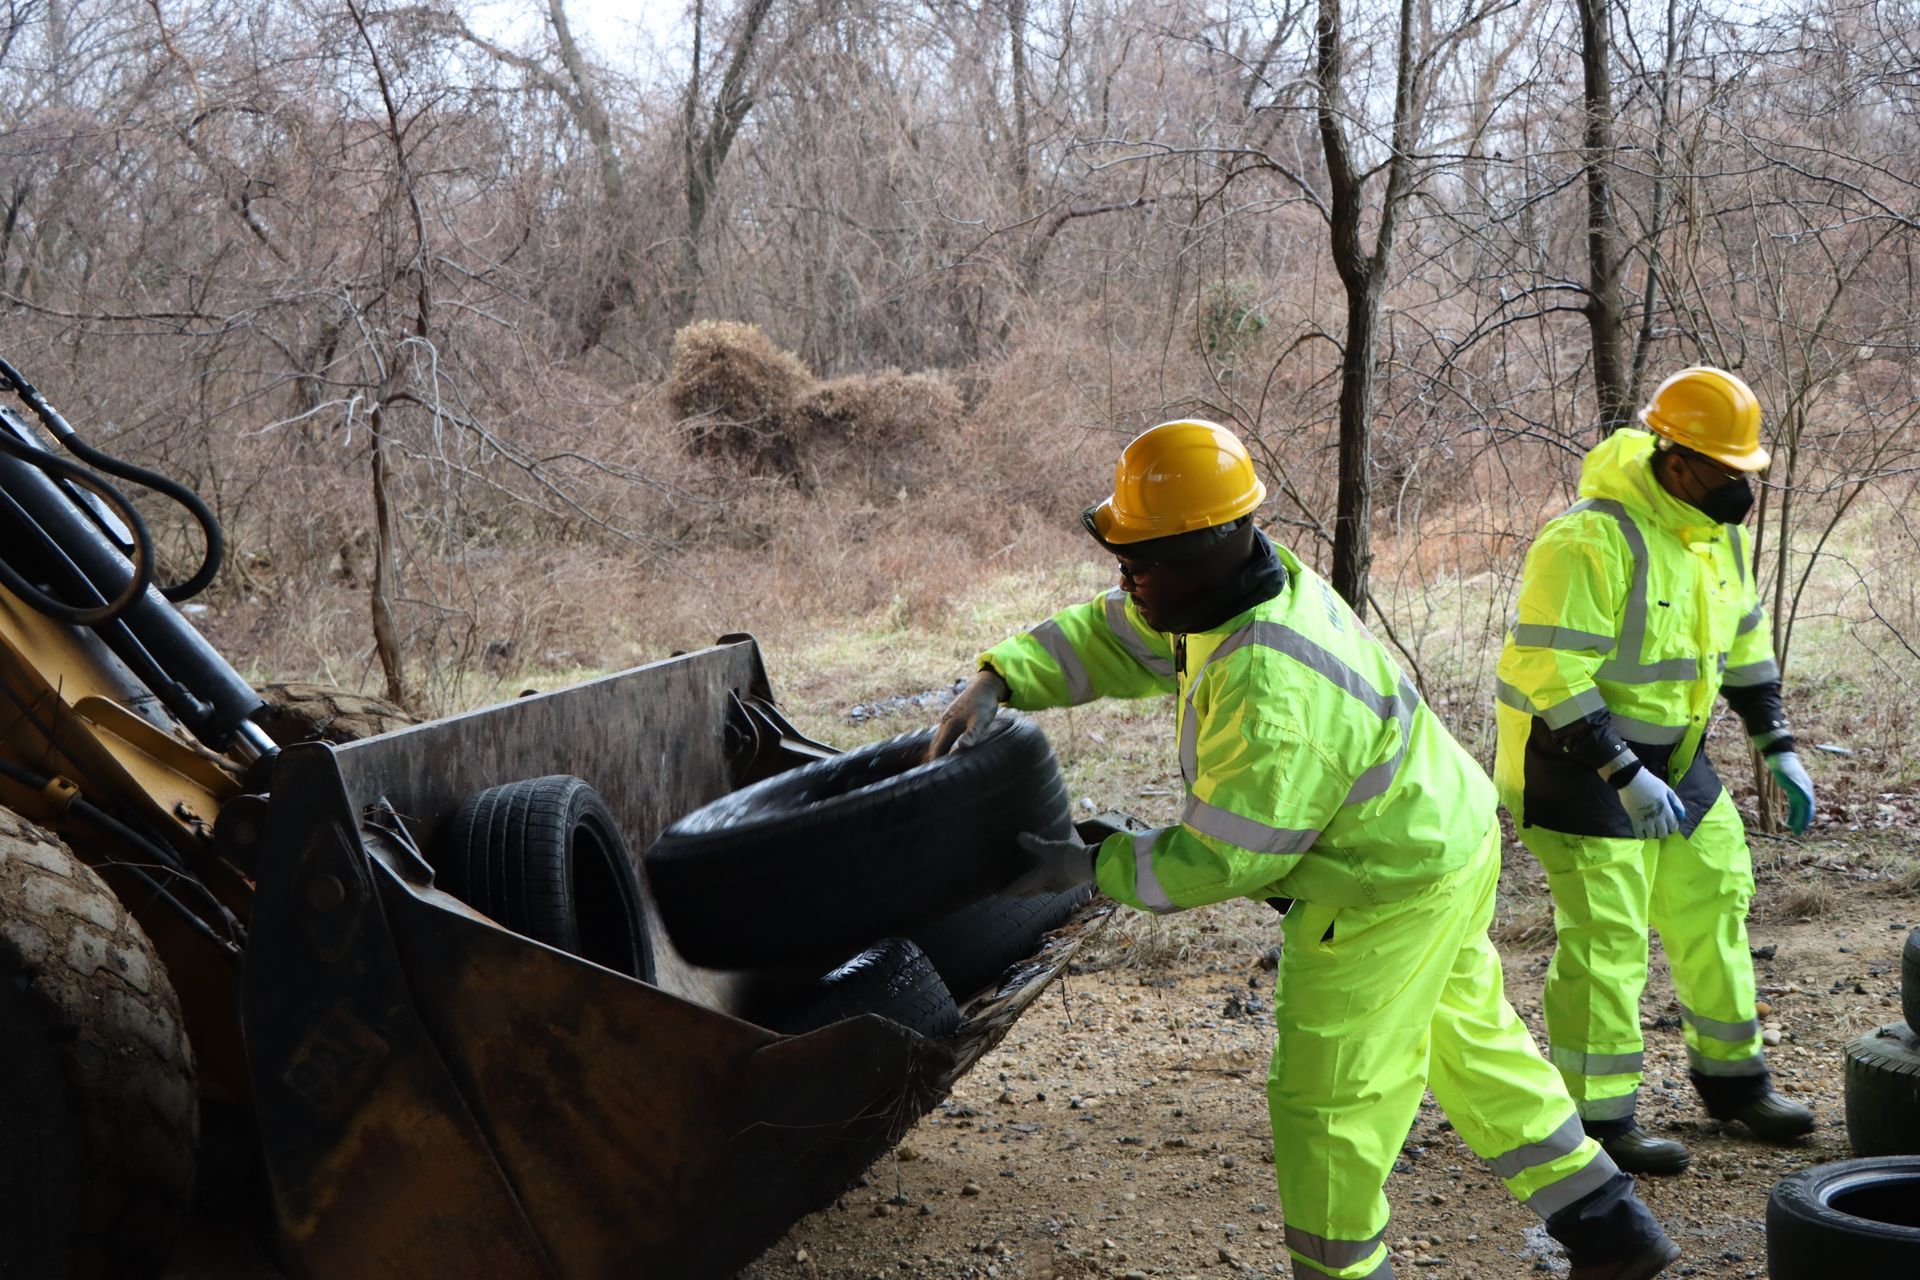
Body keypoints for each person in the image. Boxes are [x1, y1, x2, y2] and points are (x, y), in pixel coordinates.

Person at [932, 420, 1679, 1280]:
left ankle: (1342, 1271)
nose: (1126, 572)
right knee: (1470, 1045)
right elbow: (1116, 633)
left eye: (1144, 556)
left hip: (1381, 890)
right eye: (1123, 551)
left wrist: (1088, 865)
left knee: (1327, 1103)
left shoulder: (1271, 686)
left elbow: (1224, 857)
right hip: (1440, 839)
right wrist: (1003, 674)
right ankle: (1611, 1229)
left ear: (1213, 541)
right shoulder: (1240, 585)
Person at [1493, 366, 1817, 1177]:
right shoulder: (1589, 539)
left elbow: (1744, 641)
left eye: (1750, 471)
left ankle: (1734, 1083)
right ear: (1677, 461)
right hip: (1569, 763)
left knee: (1714, 895)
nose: (1745, 487)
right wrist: (1624, 774)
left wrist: (1775, 739)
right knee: (1609, 937)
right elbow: (1549, 676)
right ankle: (1599, 1124)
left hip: (1674, 756)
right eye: (1729, 471)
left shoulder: (1713, 534)